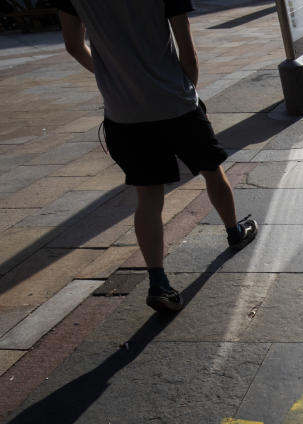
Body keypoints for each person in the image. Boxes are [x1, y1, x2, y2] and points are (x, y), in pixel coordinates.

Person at [53, 0, 257, 313]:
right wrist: (188, 90)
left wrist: (113, 75)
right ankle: (234, 231)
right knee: (212, 170)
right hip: (175, 102)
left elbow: (72, 44)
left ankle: (158, 281)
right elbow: (186, 47)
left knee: (148, 196)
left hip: (123, 113)